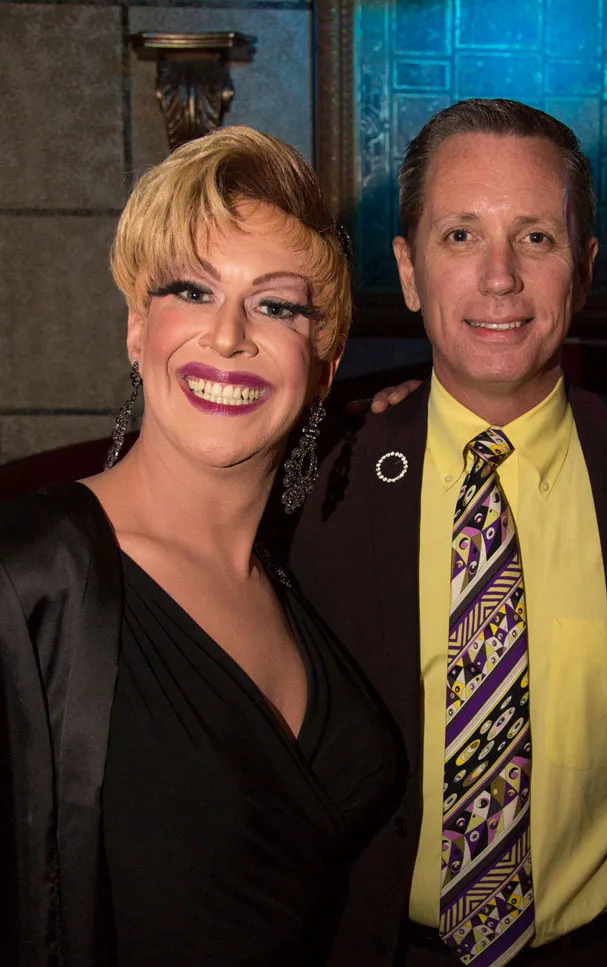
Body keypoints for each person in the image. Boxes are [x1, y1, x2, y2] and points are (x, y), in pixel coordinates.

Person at [283, 99, 607, 965]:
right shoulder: (315, 485)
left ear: (583, 270)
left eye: (536, 238)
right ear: (409, 271)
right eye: (460, 236)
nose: (499, 278)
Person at [0, 126, 399, 967]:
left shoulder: (293, 573)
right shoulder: (28, 577)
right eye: (192, 290)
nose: (227, 335)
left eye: (277, 305)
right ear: (137, 331)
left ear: (323, 366)